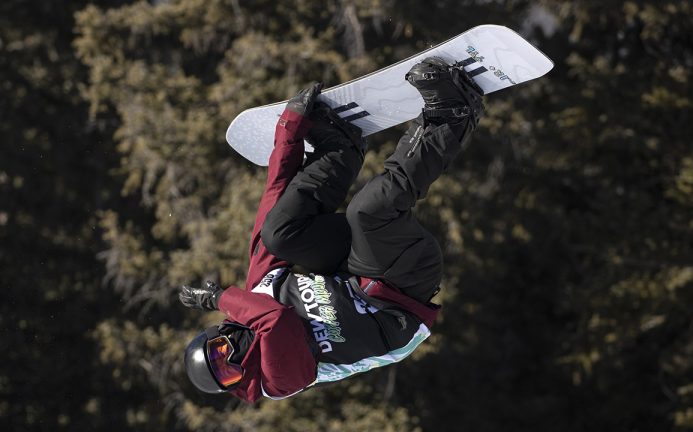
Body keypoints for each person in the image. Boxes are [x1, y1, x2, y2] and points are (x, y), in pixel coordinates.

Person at [179, 57, 484, 401]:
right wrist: (221, 297)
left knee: (278, 234)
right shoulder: (277, 380)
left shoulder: (259, 294)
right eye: (229, 372)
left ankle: (339, 149)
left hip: (356, 274)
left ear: (220, 332)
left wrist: (289, 133)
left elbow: (271, 204)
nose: (232, 357)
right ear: (239, 384)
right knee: (368, 212)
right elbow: (275, 321)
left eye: (220, 351)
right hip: (400, 296)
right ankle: (452, 115)